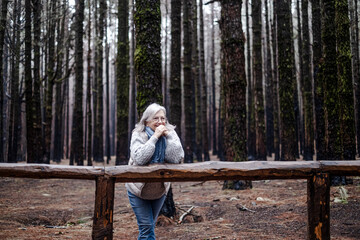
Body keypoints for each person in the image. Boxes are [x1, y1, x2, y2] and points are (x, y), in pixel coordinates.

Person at [126, 103, 184, 240]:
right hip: (138, 190)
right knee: (146, 228)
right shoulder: (138, 134)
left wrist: (168, 136)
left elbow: (176, 158)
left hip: (159, 190)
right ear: (146, 121)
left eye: (163, 118)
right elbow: (140, 158)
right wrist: (155, 137)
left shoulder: (171, 133)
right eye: (156, 118)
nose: (160, 122)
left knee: (150, 226)